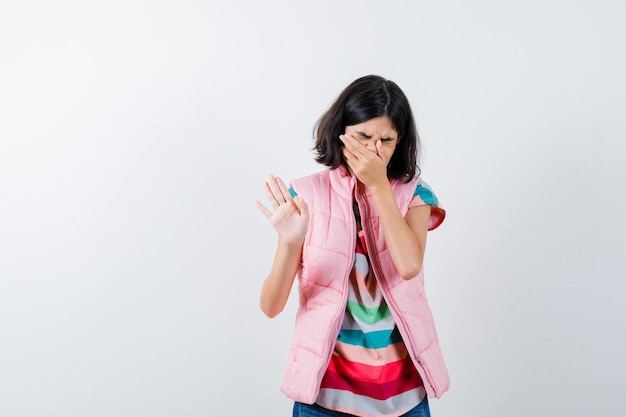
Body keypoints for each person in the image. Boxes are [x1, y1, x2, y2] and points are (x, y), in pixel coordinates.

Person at [255, 75, 449, 417]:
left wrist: (379, 186)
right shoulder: (307, 195)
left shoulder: (415, 194)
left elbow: (407, 266)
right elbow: (271, 306)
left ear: (399, 141)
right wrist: (290, 242)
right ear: (340, 133)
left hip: (403, 398)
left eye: (385, 140)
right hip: (324, 398)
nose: (373, 150)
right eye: (362, 136)